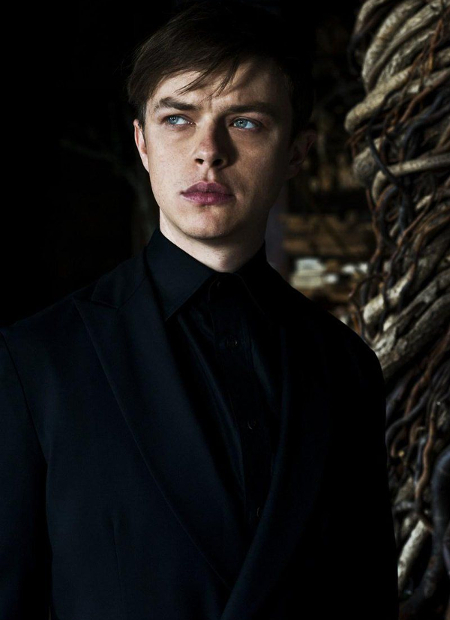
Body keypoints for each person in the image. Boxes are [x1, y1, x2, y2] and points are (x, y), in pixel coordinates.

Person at [0, 1, 399, 618]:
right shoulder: (37, 361)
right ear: (142, 143)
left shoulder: (347, 368)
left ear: (297, 152)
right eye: (178, 119)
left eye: (245, 122)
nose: (208, 151)